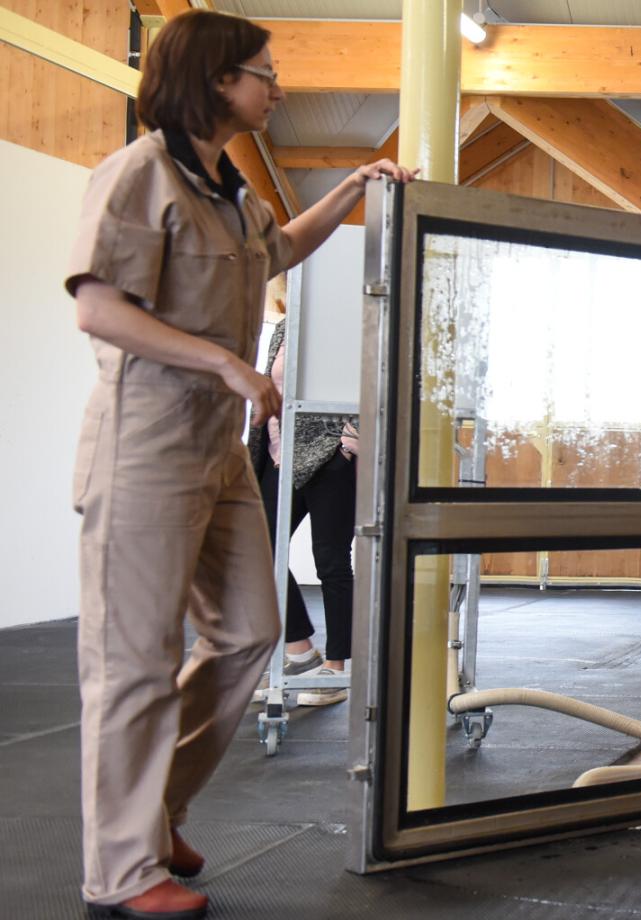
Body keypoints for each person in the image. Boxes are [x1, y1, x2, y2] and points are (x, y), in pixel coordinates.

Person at [65, 10, 415, 918]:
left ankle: (155, 812)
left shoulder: (227, 188)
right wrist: (226, 362)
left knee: (252, 634)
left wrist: (351, 190)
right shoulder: (138, 177)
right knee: (134, 664)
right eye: (264, 73)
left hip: (216, 450)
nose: (278, 87)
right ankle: (120, 872)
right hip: (145, 445)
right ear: (218, 80)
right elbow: (100, 310)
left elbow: (281, 249)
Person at [250, 317, 358, 706]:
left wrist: (348, 444)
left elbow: (369, 380)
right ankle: (300, 651)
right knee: (258, 551)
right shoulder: (284, 324)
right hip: (279, 455)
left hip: (329, 457)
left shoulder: (342, 313)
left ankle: (336, 667)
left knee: (330, 561)